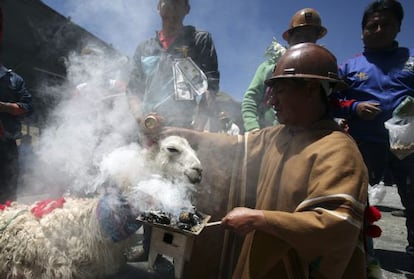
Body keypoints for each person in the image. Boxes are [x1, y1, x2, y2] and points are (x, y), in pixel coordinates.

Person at [164, 43, 368, 278]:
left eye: (280, 91)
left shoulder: (337, 149)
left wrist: (259, 219)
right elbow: (233, 147)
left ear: (311, 89)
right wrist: (182, 136)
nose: (271, 102)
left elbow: (336, 224)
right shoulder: (279, 135)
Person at [333, 0, 414, 257]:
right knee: (357, 201)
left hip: (408, 146)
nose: (379, 30)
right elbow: (327, 101)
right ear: (362, 32)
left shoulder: (411, 61)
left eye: (386, 25)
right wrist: (353, 107)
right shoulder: (347, 68)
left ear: (398, 28)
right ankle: (360, 254)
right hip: (364, 145)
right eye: (372, 26)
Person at [127, 0, 220, 132]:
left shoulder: (199, 40)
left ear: (186, 8)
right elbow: (133, 89)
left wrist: (196, 129)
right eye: (167, 1)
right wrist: (140, 119)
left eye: (177, 2)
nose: (171, 6)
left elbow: (210, 86)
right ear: (159, 7)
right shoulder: (144, 48)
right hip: (148, 125)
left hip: (184, 127)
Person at [241, 8, 327, 132]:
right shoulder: (269, 67)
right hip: (270, 136)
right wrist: (254, 131)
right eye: (299, 36)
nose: (304, 41)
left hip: (306, 137)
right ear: (289, 39)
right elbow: (250, 99)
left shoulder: (321, 72)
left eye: (310, 37)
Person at [0, 60, 33, 203]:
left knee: (7, 196)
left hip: (5, 145)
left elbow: (28, 108)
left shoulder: (15, 79)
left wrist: (3, 107)